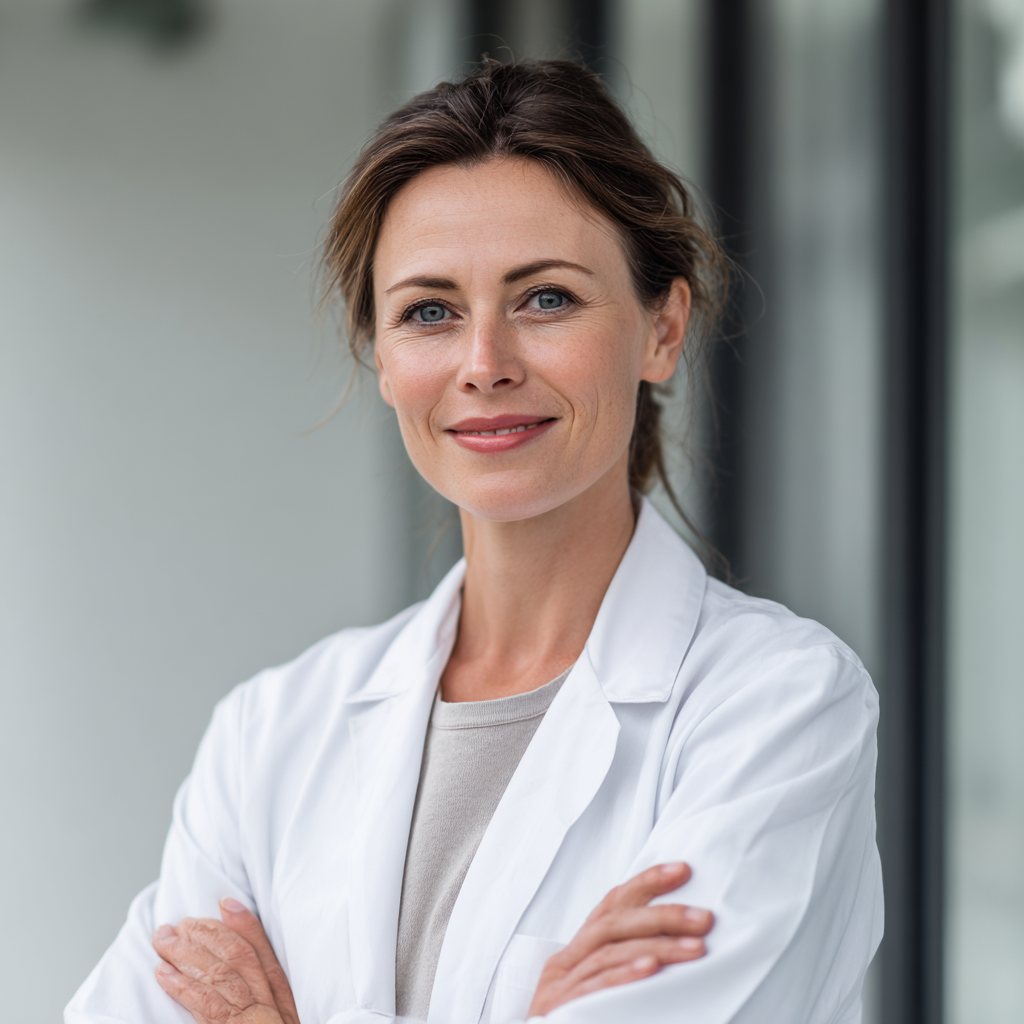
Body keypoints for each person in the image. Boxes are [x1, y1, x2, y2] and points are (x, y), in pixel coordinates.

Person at [66, 59, 882, 1024]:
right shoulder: (272, 733)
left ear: (663, 327)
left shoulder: (774, 709)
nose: (484, 364)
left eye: (546, 299)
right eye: (429, 313)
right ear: (382, 357)